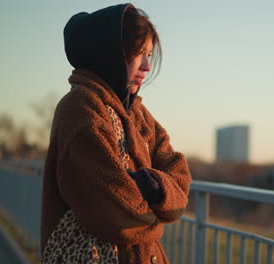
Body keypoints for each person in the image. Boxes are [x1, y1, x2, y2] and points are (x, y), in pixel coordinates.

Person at [40, 3, 191, 264]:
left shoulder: (138, 114)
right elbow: (117, 214)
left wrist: (151, 187)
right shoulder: (80, 108)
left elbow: (181, 177)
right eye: (139, 53)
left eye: (149, 55)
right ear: (110, 54)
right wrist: (158, 217)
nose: (146, 66)